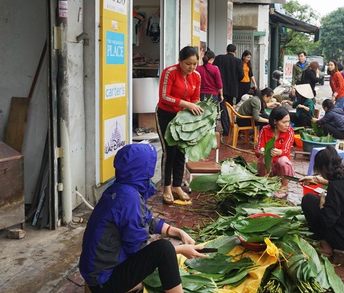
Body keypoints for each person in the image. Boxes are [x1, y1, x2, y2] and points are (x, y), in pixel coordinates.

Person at [80, 144, 207, 293]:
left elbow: (145, 219)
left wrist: (178, 232)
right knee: (164, 250)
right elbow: (138, 248)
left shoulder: (119, 188)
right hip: (104, 281)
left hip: (94, 275)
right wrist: (179, 250)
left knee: (161, 252)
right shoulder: (129, 198)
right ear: (140, 170)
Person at [299, 146, 344, 252]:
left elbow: (326, 221)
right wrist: (314, 178)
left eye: (320, 171)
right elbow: (339, 181)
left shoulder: (335, 187)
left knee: (308, 200)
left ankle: (324, 241)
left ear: (324, 168)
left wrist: (323, 200)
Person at [156, 46, 203, 205]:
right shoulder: (169, 72)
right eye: (188, 64)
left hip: (183, 118)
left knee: (181, 150)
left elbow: (195, 99)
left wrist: (196, 113)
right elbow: (164, 97)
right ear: (180, 61)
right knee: (169, 151)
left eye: (195, 64)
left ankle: (177, 185)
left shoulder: (196, 76)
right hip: (166, 115)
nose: (192, 68)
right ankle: (166, 187)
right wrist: (187, 105)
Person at [255, 106, 296, 198]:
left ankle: (284, 186)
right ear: (275, 122)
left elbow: (286, 149)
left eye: (288, 121)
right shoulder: (265, 130)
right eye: (284, 122)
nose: (287, 125)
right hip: (268, 167)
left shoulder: (289, 131)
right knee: (263, 159)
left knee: (283, 160)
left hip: (281, 168)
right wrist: (261, 151)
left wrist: (279, 152)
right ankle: (265, 183)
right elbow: (258, 148)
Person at [213, 44, 244, 137]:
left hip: (221, 88)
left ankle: (227, 130)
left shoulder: (219, 58)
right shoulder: (238, 61)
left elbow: (214, 71)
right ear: (235, 51)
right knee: (229, 108)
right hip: (232, 89)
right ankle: (229, 128)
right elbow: (241, 76)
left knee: (223, 109)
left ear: (226, 50)